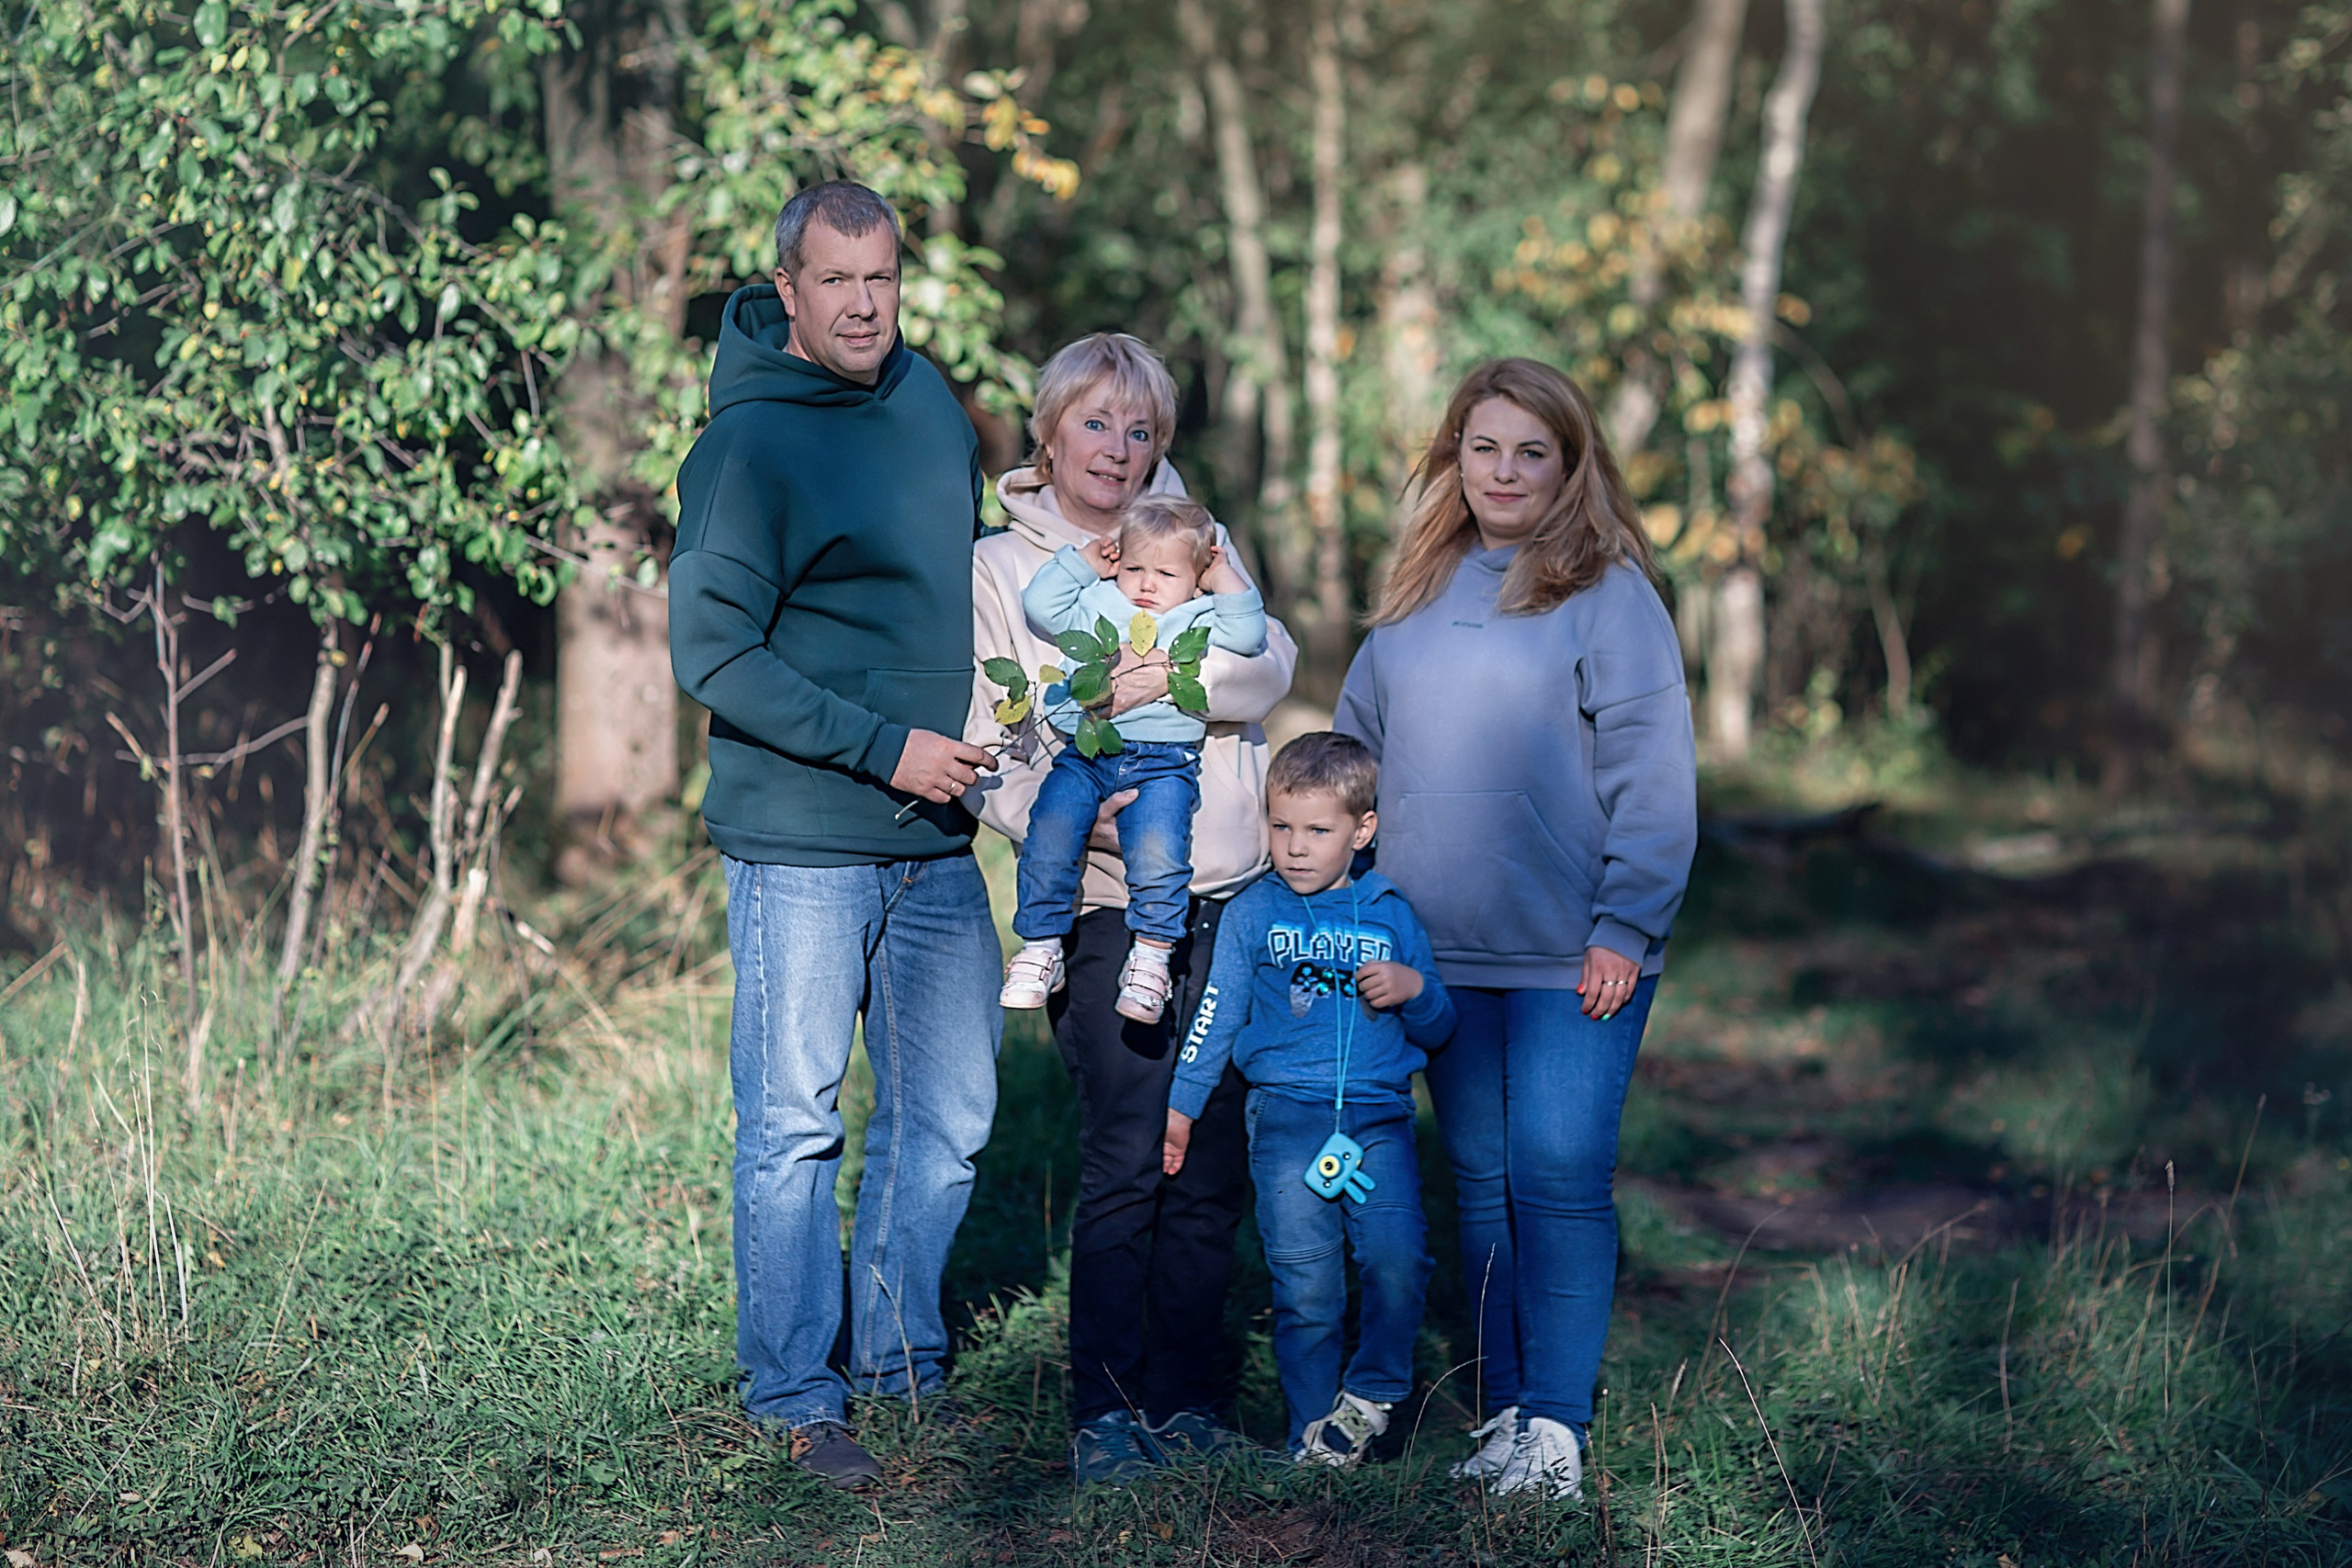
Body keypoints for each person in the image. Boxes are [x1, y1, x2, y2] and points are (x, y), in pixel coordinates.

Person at [670, 181, 1002, 1491]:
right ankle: (798, 1396)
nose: (866, 305)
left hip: (935, 832)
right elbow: (713, 652)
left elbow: (964, 565)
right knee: (796, 1123)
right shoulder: (746, 449)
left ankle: (901, 1359)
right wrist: (883, 745)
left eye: (885, 279)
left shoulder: (926, 399)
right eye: (839, 283)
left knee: (954, 1108)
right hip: (804, 835)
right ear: (790, 292)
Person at [1334, 357, 1697, 1501]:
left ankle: (1557, 1429)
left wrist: (1627, 924)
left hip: (1572, 954)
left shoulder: (1610, 592)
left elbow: (1654, 778)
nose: (1506, 471)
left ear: (1570, 465)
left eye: (1532, 451)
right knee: (1480, 1183)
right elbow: (1355, 759)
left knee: (1557, 1180)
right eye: (1484, 447)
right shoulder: (1413, 594)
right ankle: (1501, 1416)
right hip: (1435, 954)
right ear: (1454, 457)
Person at [964, 333, 1298, 1483]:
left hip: (1230, 888)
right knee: (1124, 1151)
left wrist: (1170, 679)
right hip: (1103, 898)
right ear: (1049, 430)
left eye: (1140, 429)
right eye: (1096, 424)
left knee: (1206, 1159)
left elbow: (1272, 664)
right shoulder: (1004, 567)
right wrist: (1047, 815)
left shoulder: (1194, 536)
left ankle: (1188, 1402)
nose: (1117, 448)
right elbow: (993, 736)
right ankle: (1105, 1413)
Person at [1160, 733, 1454, 1467]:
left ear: (1363, 830)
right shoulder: (1254, 911)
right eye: (1281, 825)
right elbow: (1216, 1013)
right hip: (1286, 1120)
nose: (1294, 847)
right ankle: (1313, 1441)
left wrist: (1415, 990)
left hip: (1378, 1119)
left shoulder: (1391, 911)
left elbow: (1442, 1022)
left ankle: (1375, 1390)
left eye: (1318, 830)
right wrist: (1182, 1103)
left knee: (1398, 1259)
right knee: (1306, 1285)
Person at [1000, 495, 1266, 1023]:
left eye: (1166, 572)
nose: (1146, 584)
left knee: (1159, 850)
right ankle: (1040, 944)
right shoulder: (1099, 602)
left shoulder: (1199, 617)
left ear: (1195, 577)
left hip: (1163, 763)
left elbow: (1250, 633)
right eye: (1135, 567)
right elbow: (1040, 606)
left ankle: (1152, 956)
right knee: (1049, 832)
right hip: (1086, 750)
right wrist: (1084, 562)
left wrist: (1224, 576)